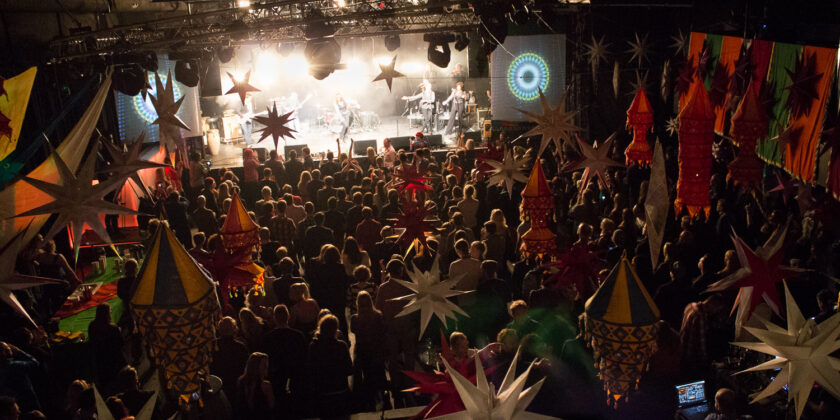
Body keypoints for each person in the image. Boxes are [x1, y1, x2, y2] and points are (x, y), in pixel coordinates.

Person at [306, 314, 353, 418]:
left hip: (322, 392)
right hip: (340, 390)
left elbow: (311, 370)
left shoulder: (314, 346)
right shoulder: (341, 346)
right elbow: (349, 369)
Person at [261, 305, 306, 405]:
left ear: (274, 318)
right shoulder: (298, 335)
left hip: (276, 376)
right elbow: (304, 357)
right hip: (295, 376)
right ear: (288, 317)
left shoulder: (268, 338)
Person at [350, 291, 386, 411]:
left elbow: (353, 330)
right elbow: (382, 332)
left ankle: (368, 400)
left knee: (366, 374)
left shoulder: (355, 318)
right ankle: (381, 395)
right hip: (375, 348)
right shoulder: (378, 316)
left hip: (362, 349)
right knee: (378, 372)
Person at [87, 304, 126, 390]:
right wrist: (119, 332)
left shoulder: (92, 326)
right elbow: (121, 343)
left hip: (99, 358)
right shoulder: (113, 328)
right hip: (113, 359)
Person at [211, 317, 250, 400]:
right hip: (235, 382)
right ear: (234, 329)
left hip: (216, 382)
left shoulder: (213, 345)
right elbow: (245, 367)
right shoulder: (240, 347)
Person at [236, 353, 274, 419]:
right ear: (256, 366)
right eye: (264, 364)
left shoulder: (241, 382)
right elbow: (272, 406)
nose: (266, 366)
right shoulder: (266, 385)